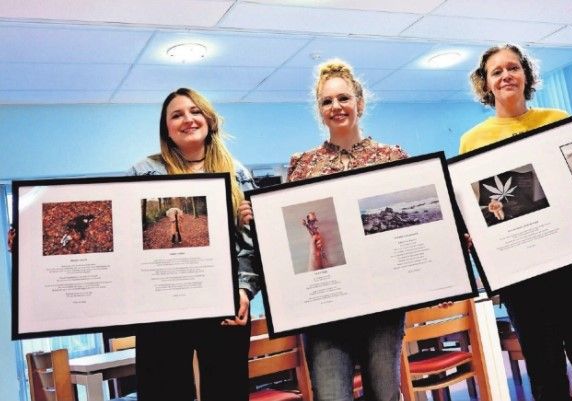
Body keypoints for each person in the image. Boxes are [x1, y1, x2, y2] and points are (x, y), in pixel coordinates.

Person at [461, 44, 572, 401]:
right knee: (546, 379)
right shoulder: (472, 141)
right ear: (485, 83)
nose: (506, 76)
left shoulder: (558, 119)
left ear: (526, 75)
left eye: (513, 67)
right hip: (524, 279)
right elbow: (483, 209)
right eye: (496, 71)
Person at [239, 59, 407, 401]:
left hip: (382, 303)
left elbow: (407, 227)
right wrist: (256, 219)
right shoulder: (302, 164)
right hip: (325, 306)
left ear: (360, 103)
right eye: (326, 101)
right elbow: (285, 229)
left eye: (343, 98)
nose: (336, 107)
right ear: (319, 111)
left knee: (385, 394)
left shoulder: (391, 157)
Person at [129, 88, 260, 401]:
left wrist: (243, 289)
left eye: (195, 111)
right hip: (162, 305)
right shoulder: (145, 172)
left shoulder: (237, 172)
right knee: (164, 393)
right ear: (167, 129)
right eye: (176, 115)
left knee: (227, 392)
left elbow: (250, 246)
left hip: (224, 303)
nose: (187, 119)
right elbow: (124, 238)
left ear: (209, 119)